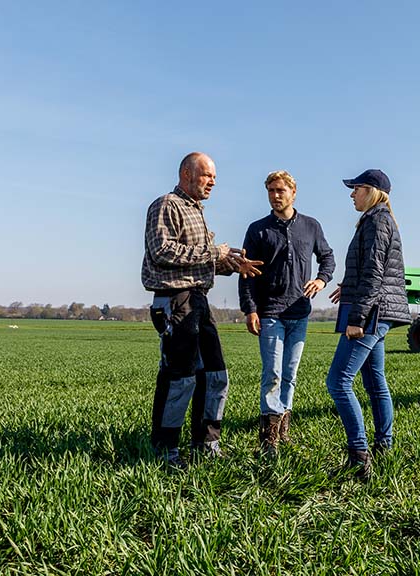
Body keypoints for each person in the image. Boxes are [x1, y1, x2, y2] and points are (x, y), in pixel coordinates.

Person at [141, 152, 262, 471]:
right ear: (186, 173)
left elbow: (198, 261)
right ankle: (165, 448)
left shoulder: (196, 211)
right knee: (179, 378)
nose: (213, 182)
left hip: (198, 300)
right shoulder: (166, 204)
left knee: (215, 374)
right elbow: (162, 251)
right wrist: (214, 251)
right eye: (207, 175)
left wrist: (230, 264)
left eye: (214, 178)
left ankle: (207, 443)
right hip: (174, 300)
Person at [239, 170, 335, 457]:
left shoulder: (311, 226)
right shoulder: (257, 230)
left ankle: (283, 431)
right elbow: (246, 274)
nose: (275, 195)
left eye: (281, 190)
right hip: (269, 312)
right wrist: (250, 310)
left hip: (300, 312)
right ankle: (268, 439)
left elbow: (327, 257)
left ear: (293, 192)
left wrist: (321, 279)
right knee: (273, 373)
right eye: (271, 191)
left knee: (290, 374)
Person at [326, 169, 411, 480]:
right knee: (375, 382)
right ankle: (384, 447)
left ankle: (359, 457)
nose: (351, 194)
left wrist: (357, 319)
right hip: (379, 310)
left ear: (373, 191)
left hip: (372, 313)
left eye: (356, 188)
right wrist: (348, 286)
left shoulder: (376, 222)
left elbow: (375, 274)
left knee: (338, 382)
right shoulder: (378, 220)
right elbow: (370, 270)